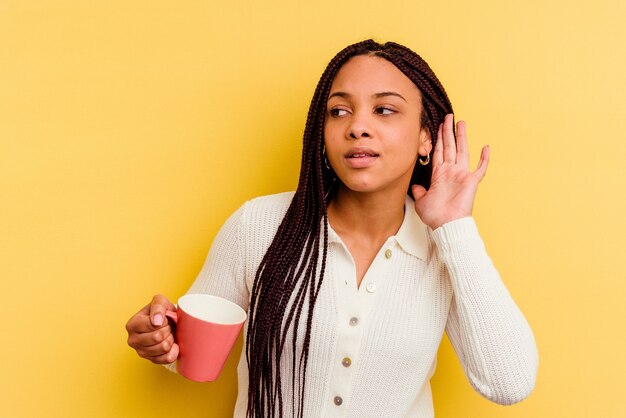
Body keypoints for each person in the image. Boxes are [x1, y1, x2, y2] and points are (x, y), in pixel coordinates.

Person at [126, 39, 538, 417]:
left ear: (425, 138)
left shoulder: (445, 249)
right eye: (339, 110)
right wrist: (162, 340)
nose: (357, 126)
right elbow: (190, 355)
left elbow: (509, 382)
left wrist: (454, 227)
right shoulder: (259, 226)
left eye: (384, 110)